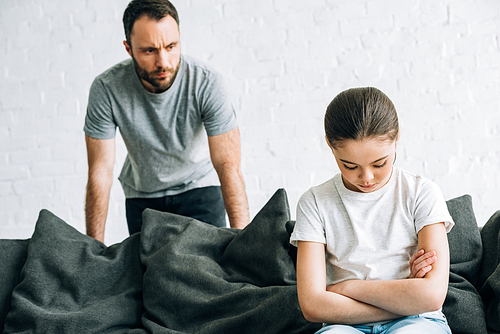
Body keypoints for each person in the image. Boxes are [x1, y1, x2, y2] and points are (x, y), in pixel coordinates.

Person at [290, 87, 454, 333]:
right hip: (344, 326)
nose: (366, 177)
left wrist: (348, 288)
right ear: (330, 145)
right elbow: (313, 305)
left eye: (379, 163)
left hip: (419, 321)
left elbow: (431, 296)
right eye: (349, 165)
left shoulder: (422, 193)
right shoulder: (314, 202)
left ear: (397, 138)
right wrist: (406, 298)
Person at [83, 0, 249, 243]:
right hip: (143, 197)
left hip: (199, 189)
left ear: (179, 38)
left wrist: (243, 242)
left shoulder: (208, 83)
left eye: (171, 46)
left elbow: (228, 167)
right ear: (129, 49)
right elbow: (100, 171)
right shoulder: (106, 89)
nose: (163, 62)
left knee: (210, 275)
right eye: (149, 50)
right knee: (149, 278)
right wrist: (92, 249)